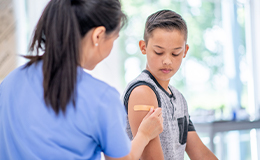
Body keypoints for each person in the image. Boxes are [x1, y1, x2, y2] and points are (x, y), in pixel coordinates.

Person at [0, 0, 164, 160]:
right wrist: (144, 134)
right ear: (98, 35)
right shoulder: (102, 98)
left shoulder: (9, 82)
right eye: (114, 39)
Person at [122, 10, 218, 160]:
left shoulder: (179, 98)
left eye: (175, 53)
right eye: (159, 52)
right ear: (143, 47)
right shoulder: (143, 92)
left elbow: (200, 153)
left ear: (185, 51)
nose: (167, 61)